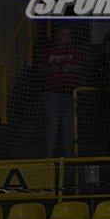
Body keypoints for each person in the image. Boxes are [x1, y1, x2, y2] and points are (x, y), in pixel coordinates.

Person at [40, 25, 85, 157]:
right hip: (52, 93)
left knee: (68, 125)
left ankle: (68, 154)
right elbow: (41, 69)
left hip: (69, 93)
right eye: (61, 34)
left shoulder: (75, 52)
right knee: (52, 123)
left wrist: (71, 67)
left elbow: (82, 68)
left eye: (66, 35)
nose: (63, 37)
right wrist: (51, 69)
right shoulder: (49, 52)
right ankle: (49, 155)